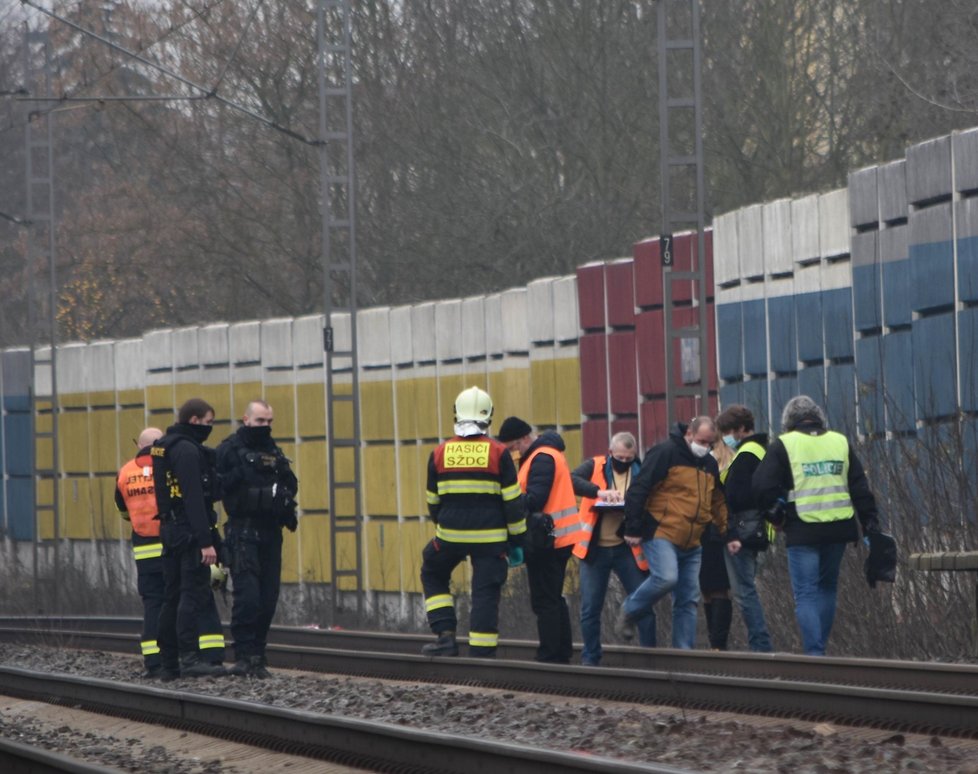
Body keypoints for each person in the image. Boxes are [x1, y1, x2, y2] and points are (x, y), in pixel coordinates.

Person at [752, 395, 880, 656]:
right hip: (839, 528)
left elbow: (760, 486)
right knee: (827, 588)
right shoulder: (839, 441)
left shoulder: (784, 444)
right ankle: (819, 651)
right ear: (820, 417)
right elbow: (860, 488)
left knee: (806, 594)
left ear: (788, 422)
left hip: (802, 529)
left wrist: (775, 517)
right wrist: (869, 524)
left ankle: (815, 654)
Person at [615, 417, 740, 650]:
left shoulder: (708, 465)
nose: (706, 447)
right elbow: (639, 488)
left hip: (692, 541)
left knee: (688, 600)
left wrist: (729, 534)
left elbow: (718, 502)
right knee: (666, 577)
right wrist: (633, 527)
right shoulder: (666, 453)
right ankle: (630, 609)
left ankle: (683, 654)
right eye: (702, 441)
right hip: (661, 531)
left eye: (710, 443)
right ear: (690, 434)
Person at [420, 387, 525, 658]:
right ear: (488, 417)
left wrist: (445, 528)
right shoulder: (499, 453)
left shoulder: (440, 453)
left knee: (432, 570)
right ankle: (481, 654)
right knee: (485, 592)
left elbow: (433, 501)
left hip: (450, 537)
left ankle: (444, 636)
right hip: (490, 540)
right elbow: (512, 503)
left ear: (456, 414)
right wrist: (517, 539)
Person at [217, 399, 299, 678]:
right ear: (246, 419)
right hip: (243, 531)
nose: (265, 426)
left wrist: (286, 505)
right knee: (248, 597)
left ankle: (258, 656)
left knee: (268, 598)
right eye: (260, 421)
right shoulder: (229, 449)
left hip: (270, 532)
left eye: (269, 422)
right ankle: (243, 655)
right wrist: (240, 476)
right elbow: (215, 486)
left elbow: (290, 483)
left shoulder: (273, 451)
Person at [152, 398, 227, 679]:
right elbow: (194, 498)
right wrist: (206, 541)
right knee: (191, 593)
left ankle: (169, 662)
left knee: (171, 596)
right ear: (194, 421)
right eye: (208, 422)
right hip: (190, 532)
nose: (210, 428)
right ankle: (189, 656)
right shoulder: (186, 451)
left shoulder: (163, 446)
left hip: (170, 529)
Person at [498, 416, 582, 664]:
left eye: (514, 447)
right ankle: (561, 652)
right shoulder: (541, 456)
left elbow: (535, 498)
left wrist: (508, 502)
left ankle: (550, 655)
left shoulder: (542, 457)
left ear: (525, 438)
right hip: (556, 537)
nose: (513, 453)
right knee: (553, 597)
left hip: (549, 540)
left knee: (545, 599)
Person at [571, 431, 655, 665]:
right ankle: (591, 659)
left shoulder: (641, 472)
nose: (624, 463)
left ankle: (650, 659)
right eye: (620, 458)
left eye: (629, 459)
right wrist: (599, 493)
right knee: (590, 609)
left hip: (626, 549)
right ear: (610, 454)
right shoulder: (595, 465)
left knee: (644, 604)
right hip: (594, 550)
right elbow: (570, 480)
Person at [716, 404, 774, 653]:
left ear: (740, 429)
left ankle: (760, 645)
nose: (727, 438)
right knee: (746, 589)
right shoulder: (763, 449)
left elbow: (737, 496)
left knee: (744, 592)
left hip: (743, 532)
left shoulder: (747, 453)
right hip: (759, 530)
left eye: (728, 431)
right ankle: (760, 644)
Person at [115, 427, 165, 678]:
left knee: (153, 604)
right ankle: (176, 657)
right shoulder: (169, 467)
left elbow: (123, 511)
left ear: (139, 445)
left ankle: (153, 660)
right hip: (171, 547)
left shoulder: (125, 472)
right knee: (178, 600)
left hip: (145, 551)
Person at [699, 432, 734, 650]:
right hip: (720, 531)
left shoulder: (708, 463)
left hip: (707, 531)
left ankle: (716, 644)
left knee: (711, 590)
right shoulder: (730, 458)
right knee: (719, 589)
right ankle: (718, 644)